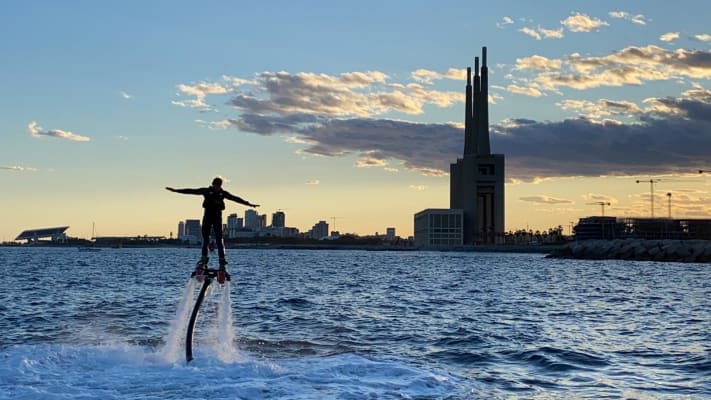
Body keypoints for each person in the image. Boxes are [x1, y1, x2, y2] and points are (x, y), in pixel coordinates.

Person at [166, 177, 259, 280]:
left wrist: (249, 204)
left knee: (219, 240)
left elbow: (235, 198)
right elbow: (192, 191)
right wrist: (176, 190)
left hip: (217, 219)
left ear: (220, 186)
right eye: (216, 186)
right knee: (205, 239)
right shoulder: (206, 191)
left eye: (218, 186)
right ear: (213, 184)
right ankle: (204, 261)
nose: (217, 188)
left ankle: (222, 261)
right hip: (207, 218)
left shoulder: (223, 193)